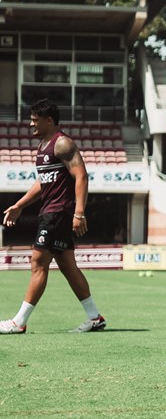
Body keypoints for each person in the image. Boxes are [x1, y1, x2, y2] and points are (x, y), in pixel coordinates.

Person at [1, 99, 106, 334]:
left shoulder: (63, 144)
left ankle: (19, 322)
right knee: (68, 266)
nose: (31, 124)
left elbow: (82, 176)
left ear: (49, 120)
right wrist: (19, 205)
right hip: (50, 212)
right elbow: (43, 182)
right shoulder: (43, 147)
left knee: (38, 262)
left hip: (58, 213)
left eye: (35, 120)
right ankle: (95, 318)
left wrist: (79, 213)